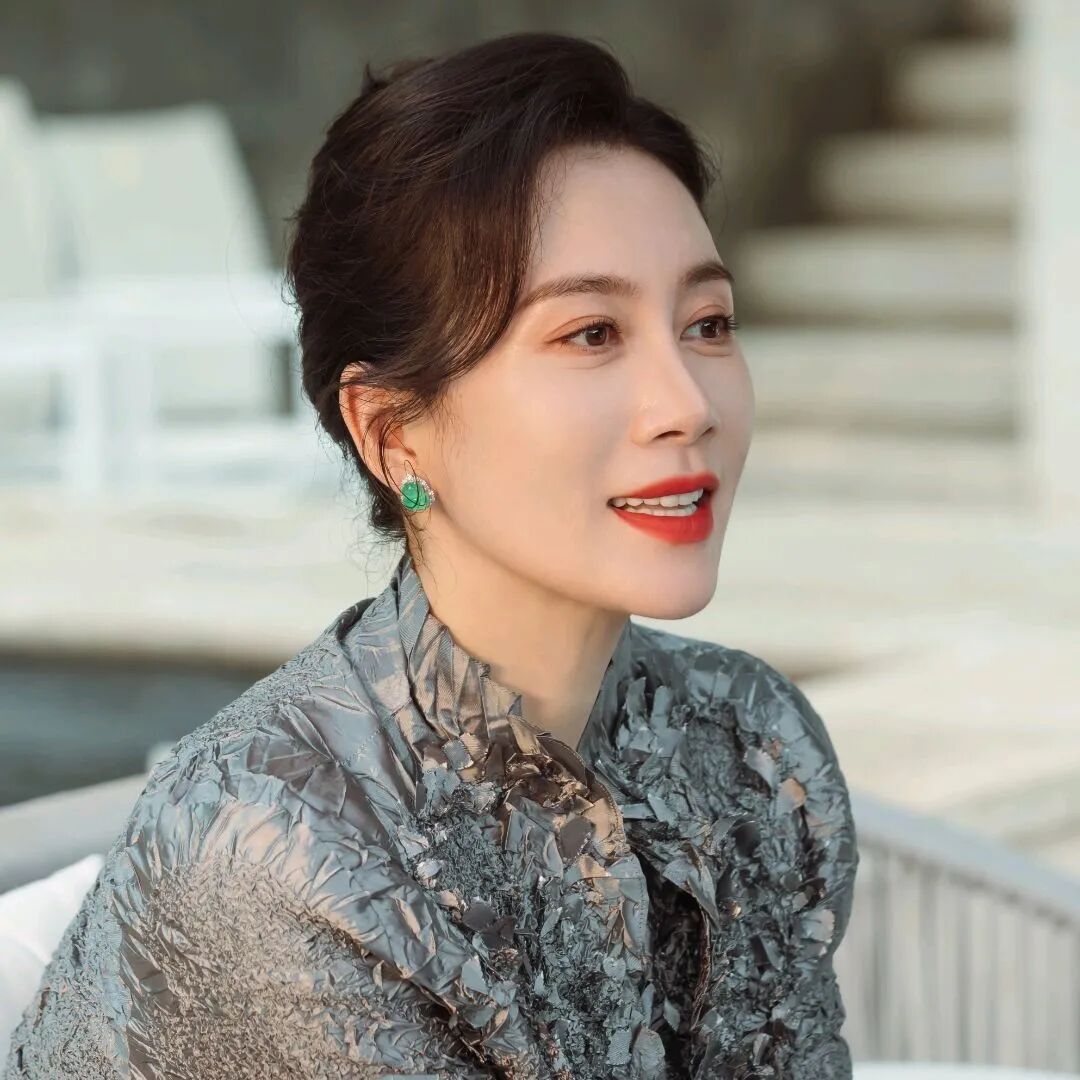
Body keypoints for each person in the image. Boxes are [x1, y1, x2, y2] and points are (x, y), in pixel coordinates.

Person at [4, 31, 859, 1080]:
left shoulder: (753, 746)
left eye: (709, 323)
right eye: (591, 334)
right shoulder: (289, 851)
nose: (686, 403)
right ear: (392, 431)